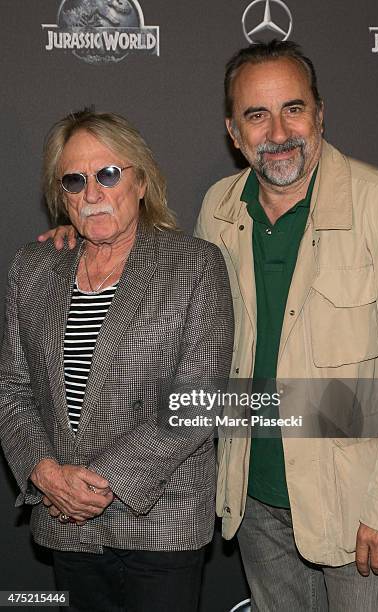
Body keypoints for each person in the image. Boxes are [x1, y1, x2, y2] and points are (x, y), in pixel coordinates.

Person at [37, 42, 378, 610]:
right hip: (253, 502)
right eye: (257, 115)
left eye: (294, 108)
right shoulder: (220, 207)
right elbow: (175, 307)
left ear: (321, 114)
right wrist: (77, 237)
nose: (278, 130)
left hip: (356, 503)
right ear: (234, 133)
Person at [0, 109, 233, 612]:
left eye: (108, 174)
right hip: (66, 522)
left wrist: (102, 482)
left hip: (162, 523)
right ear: (60, 194)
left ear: (142, 182)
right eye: (74, 180)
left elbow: (200, 401)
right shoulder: (33, 268)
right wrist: (44, 474)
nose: (92, 193)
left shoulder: (193, 264)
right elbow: (12, 390)